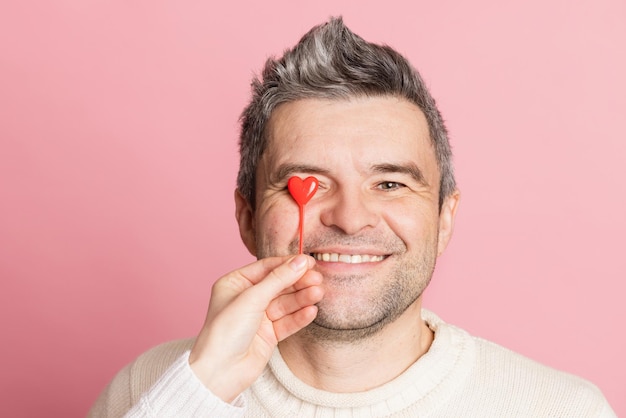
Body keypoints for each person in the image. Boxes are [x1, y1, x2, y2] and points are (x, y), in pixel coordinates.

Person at [88, 17, 616, 417]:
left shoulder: (561, 410)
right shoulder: (148, 389)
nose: (349, 217)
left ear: (444, 218)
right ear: (247, 218)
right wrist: (196, 392)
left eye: (390, 183)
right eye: (309, 183)